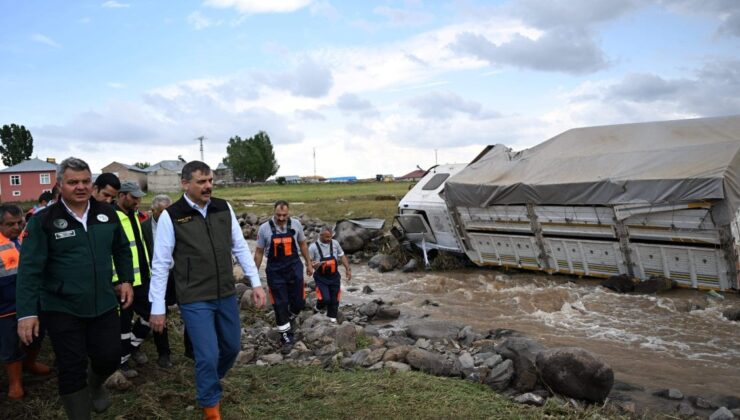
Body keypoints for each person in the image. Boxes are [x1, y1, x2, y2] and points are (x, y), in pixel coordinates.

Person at [16, 157, 134, 419]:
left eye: (85, 181)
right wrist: (26, 313)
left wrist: (125, 279)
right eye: (73, 182)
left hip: (103, 302)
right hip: (61, 307)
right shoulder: (43, 221)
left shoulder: (107, 213)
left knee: (109, 358)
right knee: (71, 367)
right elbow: (29, 270)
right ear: (60, 185)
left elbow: (121, 248)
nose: (80, 187)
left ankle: (95, 385)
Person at [148, 161, 266, 420]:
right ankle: (210, 404)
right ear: (185, 183)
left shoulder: (223, 207)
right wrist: (157, 307)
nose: (208, 186)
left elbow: (239, 246)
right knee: (207, 354)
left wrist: (256, 283)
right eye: (201, 182)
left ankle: (210, 380)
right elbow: (160, 263)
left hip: (225, 292)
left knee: (232, 347)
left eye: (210, 181)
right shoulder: (172, 215)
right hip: (194, 297)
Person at [113, 181, 165, 378]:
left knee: (153, 315)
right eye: (134, 197)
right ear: (122, 195)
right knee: (123, 323)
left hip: (143, 277)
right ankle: (122, 361)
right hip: (125, 281)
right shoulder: (113, 217)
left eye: (139, 197)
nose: (138, 201)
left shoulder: (134, 215)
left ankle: (132, 346)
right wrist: (117, 280)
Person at [0, 204, 51, 400]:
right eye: (10, 224)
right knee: (10, 343)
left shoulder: (27, 237)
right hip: (6, 306)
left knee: (36, 335)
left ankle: (30, 363)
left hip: (32, 300)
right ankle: (15, 382)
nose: (16, 227)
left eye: (20, 222)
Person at [253, 200, 314, 354]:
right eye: (278, 215)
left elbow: (303, 244)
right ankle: (286, 337)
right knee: (280, 305)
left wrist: (308, 263)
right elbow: (259, 252)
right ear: (274, 212)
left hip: (294, 267)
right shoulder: (264, 229)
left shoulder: (296, 225)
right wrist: (254, 274)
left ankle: (290, 316)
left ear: (289, 213)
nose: (281, 218)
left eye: (284, 215)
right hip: (275, 270)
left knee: (299, 302)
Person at [133, 194, 176, 368]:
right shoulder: (143, 228)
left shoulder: (176, 225)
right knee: (159, 311)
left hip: (175, 274)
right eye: (162, 212)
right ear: (154, 211)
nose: (166, 215)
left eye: (169, 211)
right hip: (154, 277)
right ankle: (163, 353)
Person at [308, 226, 352, 323]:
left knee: (335, 299)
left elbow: (342, 256)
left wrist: (348, 269)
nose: (329, 239)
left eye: (330, 237)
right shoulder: (313, 247)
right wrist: (315, 265)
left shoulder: (335, 243)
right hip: (321, 277)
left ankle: (331, 318)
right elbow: (309, 264)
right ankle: (317, 307)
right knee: (325, 299)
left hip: (334, 276)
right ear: (321, 235)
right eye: (326, 237)